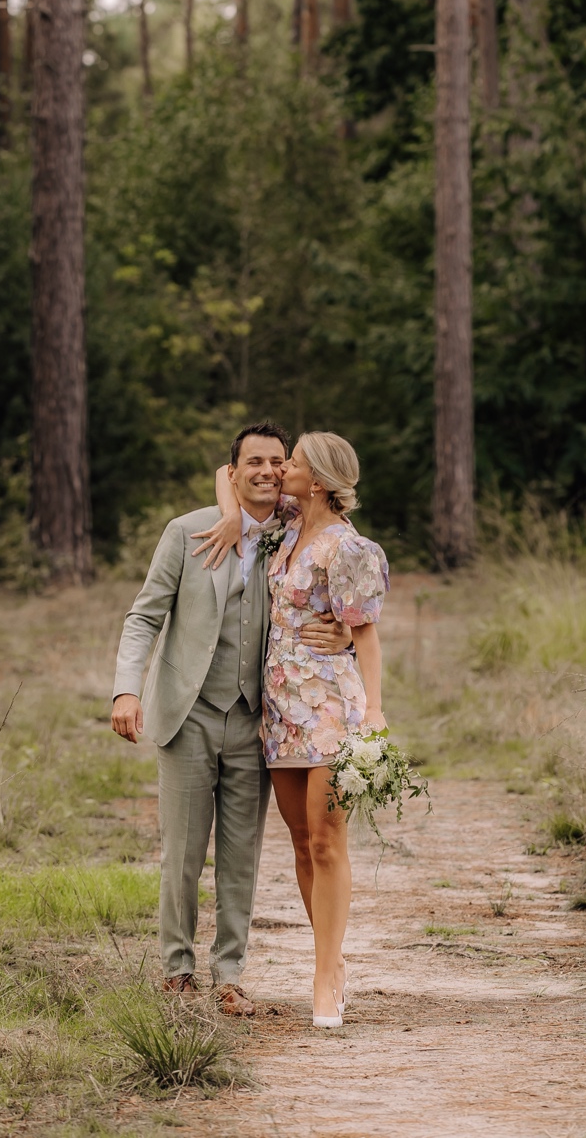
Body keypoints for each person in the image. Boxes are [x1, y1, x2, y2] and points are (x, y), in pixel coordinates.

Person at [110, 422, 354, 1016]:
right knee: (183, 854)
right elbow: (144, 618)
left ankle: (229, 976)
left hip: (257, 720)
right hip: (187, 714)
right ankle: (176, 969)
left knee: (242, 854)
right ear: (234, 469)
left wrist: (345, 630)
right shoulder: (186, 532)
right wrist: (126, 692)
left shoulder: (294, 534)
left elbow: (332, 590)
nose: (268, 471)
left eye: (278, 461)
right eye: (255, 462)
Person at [209, 431, 388, 1028]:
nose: (280, 468)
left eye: (293, 462)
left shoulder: (347, 548)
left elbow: (364, 634)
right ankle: (331, 961)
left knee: (326, 840)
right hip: (281, 713)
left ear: (316, 480)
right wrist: (234, 519)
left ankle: (325, 976)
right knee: (300, 843)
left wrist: (376, 713)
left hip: (333, 710)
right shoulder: (287, 525)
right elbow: (221, 471)